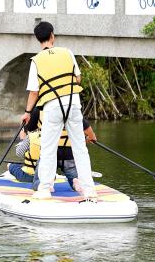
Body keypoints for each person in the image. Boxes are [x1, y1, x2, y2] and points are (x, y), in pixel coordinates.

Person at [20, 22, 97, 201]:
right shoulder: (67, 53)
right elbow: (77, 78)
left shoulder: (36, 60)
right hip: (73, 104)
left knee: (48, 149)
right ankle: (89, 190)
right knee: (80, 148)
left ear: (38, 40)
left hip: (52, 107)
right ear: (52, 36)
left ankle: (45, 189)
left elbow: (34, 92)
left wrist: (27, 112)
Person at [8, 107, 98, 194]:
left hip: (49, 153)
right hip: (69, 154)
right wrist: (91, 137)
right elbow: (86, 127)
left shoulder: (39, 109)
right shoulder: (71, 108)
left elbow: (30, 129)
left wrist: (25, 131)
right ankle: (75, 181)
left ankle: (45, 185)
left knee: (36, 183)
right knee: (74, 176)